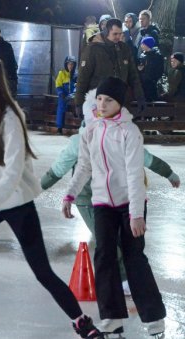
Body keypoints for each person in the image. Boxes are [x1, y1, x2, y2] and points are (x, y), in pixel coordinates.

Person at [0, 56, 102, 339]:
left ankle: (82, 322)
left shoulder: (10, 117)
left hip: (15, 202)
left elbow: (13, 170)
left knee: (42, 271)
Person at [42, 95, 180, 295]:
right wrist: (40, 187)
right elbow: (61, 167)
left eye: (106, 104)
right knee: (106, 243)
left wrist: (169, 173)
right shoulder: (81, 139)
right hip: (86, 200)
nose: (101, 109)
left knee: (120, 242)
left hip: (115, 198)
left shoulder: (124, 134)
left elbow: (145, 159)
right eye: (97, 105)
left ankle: (122, 283)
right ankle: (121, 283)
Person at [63, 77, 167, 337]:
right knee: (104, 257)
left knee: (134, 259)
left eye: (108, 100)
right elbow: (84, 166)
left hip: (130, 203)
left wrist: (136, 214)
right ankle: (111, 317)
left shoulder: (129, 132)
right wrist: (70, 195)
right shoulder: (91, 129)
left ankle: (154, 319)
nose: (102, 103)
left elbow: (134, 174)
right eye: (99, 98)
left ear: (120, 103)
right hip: (102, 203)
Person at [75, 19, 145, 116]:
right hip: (99, 104)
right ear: (107, 32)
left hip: (120, 102)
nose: (118, 37)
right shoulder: (93, 49)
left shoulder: (124, 49)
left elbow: (133, 75)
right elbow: (83, 77)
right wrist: (78, 103)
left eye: (120, 33)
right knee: (101, 130)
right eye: (115, 34)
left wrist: (140, 97)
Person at [54, 56, 77, 134]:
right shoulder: (62, 73)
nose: (70, 66)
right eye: (69, 64)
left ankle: (77, 125)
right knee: (61, 107)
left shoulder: (76, 74)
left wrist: (74, 93)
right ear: (66, 65)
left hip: (73, 95)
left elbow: (78, 85)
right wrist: (61, 93)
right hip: (64, 94)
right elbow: (58, 84)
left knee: (78, 105)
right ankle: (59, 128)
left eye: (72, 64)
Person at [138, 37, 164, 102]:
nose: (141, 45)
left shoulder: (157, 56)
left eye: (143, 44)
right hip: (143, 82)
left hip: (152, 82)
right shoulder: (142, 55)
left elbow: (159, 69)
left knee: (152, 100)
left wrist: (153, 79)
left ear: (147, 45)